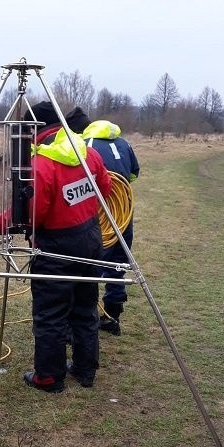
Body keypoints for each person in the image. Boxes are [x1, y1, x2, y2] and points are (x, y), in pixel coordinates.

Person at [0, 101, 112, 393]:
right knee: (84, 307)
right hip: (90, 239)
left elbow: (30, 214)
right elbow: (104, 189)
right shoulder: (87, 153)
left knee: (50, 314)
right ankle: (85, 369)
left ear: (34, 131)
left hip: (57, 249)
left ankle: (49, 376)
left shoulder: (41, 165)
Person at [80, 117, 140, 336]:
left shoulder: (86, 145)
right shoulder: (124, 143)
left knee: (91, 265)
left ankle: (88, 318)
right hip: (124, 212)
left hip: (100, 214)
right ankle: (113, 318)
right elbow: (133, 174)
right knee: (118, 263)